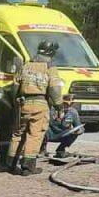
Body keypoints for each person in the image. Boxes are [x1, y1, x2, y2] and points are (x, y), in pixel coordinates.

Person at [6, 39, 63, 173]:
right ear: (51, 53)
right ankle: (28, 166)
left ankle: (10, 163)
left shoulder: (26, 66)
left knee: (18, 132)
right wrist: (59, 106)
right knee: (35, 134)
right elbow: (55, 90)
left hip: (23, 103)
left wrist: (16, 102)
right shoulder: (50, 68)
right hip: (40, 104)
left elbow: (14, 87)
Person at [0, 81, 18, 164]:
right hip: (5, 105)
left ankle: (4, 158)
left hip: (1, 103)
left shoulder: (10, 88)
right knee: (8, 132)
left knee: (4, 133)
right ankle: (8, 159)